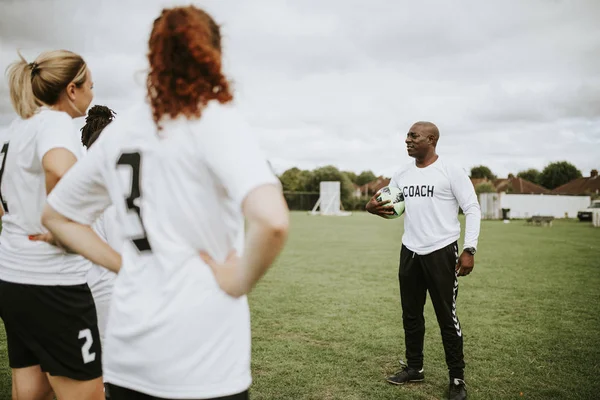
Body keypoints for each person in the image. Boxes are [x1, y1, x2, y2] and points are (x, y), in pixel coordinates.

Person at [41, 5, 290, 400]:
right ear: (214, 53)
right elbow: (273, 220)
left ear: (152, 56)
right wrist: (239, 280)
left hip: (129, 358)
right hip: (204, 359)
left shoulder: (121, 130)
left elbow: (56, 215)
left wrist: (122, 262)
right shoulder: (214, 118)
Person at [0, 50, 104, 399]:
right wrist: (64, 224)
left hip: (13, 277)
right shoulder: (56, 122)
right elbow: (60, 169)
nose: (93, 92)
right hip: (54, 284)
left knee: (30, 391)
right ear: (72, 90)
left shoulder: (18, 128)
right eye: (90, 85)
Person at [366, 121, 481, 400]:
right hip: (410, 252)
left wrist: (469, 249)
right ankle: (414, 368)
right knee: (411, 315)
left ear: (431, 139)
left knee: (446, 317)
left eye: (413, 136)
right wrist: (371, 207)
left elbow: (472, 208)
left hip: (442, 252)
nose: (407, 140)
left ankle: (456, 379)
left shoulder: (450, 171)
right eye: (407, 135)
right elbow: (388, 201)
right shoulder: (402, 172)